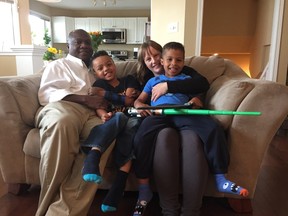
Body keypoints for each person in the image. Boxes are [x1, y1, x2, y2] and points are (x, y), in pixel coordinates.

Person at [133, 42, 249, 215]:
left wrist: (195, 101)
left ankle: (220, 178)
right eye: (169, 59)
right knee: (141, 136)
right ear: (164, 62)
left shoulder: (187, 78)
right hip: (159, 113)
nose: (173, 63)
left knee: (213, 129)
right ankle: (143, 186)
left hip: (182, 112)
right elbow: (138, 101)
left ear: (184, 61)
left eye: (178, 60)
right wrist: (140, 106)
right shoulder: (152, 80)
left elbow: (197, 94)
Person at [35, 29, 118, 216]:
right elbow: (47, 95)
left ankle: (62, 212)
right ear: (68, 46)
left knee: (106, 134)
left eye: (87, 43)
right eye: (78, 42)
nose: (84, 46)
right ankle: (43, 209)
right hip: (64, 107)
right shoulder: (59, 65)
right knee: (62, 123)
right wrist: (86, 100)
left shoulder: (94, 71)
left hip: (92, 115)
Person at [133, 40, 210, 216]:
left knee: (192, 139)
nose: (154, 61)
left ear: (163, 56)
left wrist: (193, 98)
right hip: (160, 120)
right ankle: (166, 207)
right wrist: (138, 104)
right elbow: (139, 100)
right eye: (148, 59)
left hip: (184, 117)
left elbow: (199, 88)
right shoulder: (148, 79)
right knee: (163, 136)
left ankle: (191, 211)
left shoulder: (186, 73)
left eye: (157, 55)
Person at [80, 50, 142, 213]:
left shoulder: (129, 79)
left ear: (114, 65)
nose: (106, 69)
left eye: (109, 64)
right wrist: (104, 114)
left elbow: (130, 101)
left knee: (129, 131)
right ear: (95, 72)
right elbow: (100, 107)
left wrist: (106, 95)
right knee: (118, 118)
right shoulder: (98, 85)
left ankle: (118, 186)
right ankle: (93, 156)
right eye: (100, 68)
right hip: (115, 118)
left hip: (132, 116)